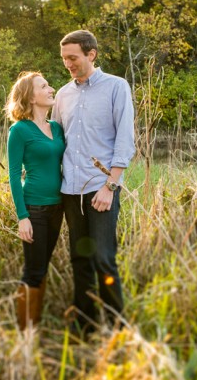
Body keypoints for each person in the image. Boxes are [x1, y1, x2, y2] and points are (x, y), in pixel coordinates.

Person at [51, 30, 135, 334]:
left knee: (103, 258)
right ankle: (85, 327)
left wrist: (110, 186)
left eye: (72, 58)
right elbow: (55, 140)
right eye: (64, 59)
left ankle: (117, 327)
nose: (68, 64)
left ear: (91, 54)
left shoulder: (116, 87)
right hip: (70, 191)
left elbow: (124, 141)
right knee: (80, 258)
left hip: (101, 190)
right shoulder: (62, 95)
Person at [6, 71, 66, 330]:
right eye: (44, 86)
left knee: (42, 267)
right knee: (33, 271)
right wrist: (22, 217)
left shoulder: (56, 127)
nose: (51, 88)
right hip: (34, 208)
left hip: (58, 207)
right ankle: (24, 332)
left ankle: (35, 324)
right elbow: (12, 175)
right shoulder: (19, 131)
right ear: (31, 97)